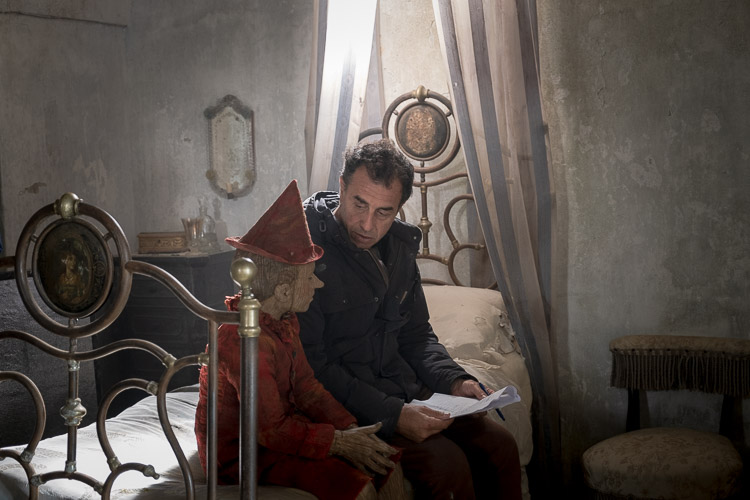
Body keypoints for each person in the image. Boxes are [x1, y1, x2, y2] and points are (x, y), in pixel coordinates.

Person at [298, 139, 522, 500]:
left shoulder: (400, 247)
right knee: (446, 465)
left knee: (500, 447)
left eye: (383, 212)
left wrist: (455, 381)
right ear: (341, 186)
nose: (366, 224)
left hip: (406, 390)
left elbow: (416, 334)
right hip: (349, 407)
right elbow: (312, 366)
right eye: (359, 203)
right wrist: (393, 415)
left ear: (399, 208)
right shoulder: (304, 247)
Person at [194, 180, 406, 500]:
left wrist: (350, 429)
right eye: (310, 277)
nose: (318, 284)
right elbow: (269, 430)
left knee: (387, 463)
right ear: (282, 291)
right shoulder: (242, 341)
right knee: (358, 487)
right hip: (244, 455)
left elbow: (307, 388)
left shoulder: (284, 321)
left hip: (281, 435)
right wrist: (338, 443)